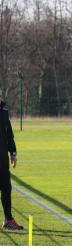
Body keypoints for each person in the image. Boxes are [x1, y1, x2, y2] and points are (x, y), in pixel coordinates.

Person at [0, 96, 22, 230]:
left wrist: (13, 153)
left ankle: (8, 220)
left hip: (2, 161)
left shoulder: (4, 112)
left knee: (6, 189)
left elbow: (9, 135)